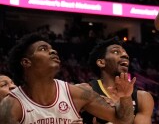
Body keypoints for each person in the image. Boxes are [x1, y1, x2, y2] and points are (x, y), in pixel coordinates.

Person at [0, 32, 135, 124]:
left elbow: (123, 120)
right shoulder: (12, 105)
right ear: (26, 62)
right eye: (43, 49)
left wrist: (125, 97)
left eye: (52, 48)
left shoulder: (77, 93)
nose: (53, 51)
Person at [81, 37, 154, 124]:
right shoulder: (85, 91)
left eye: (126, 53)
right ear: (101, 62)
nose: (125, 55)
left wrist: (125, 101)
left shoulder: (142, 98)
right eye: (116, 52)